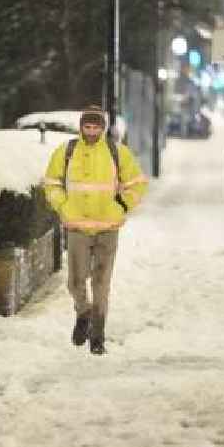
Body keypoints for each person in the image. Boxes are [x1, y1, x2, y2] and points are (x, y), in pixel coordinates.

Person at [43, 105, 148, 355]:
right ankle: (83, 313)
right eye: (87, 126)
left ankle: (98, 335)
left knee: (102, 283)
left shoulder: (116, 152)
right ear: (81, 127)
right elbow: (51, 183)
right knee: (75, 281)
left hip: (108, 229)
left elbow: (137, 184)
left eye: (96, 126)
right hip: (77, 226)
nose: (91, 131)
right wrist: (63, 205)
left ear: (103, 128)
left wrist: (120, 205)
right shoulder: (66, 152)